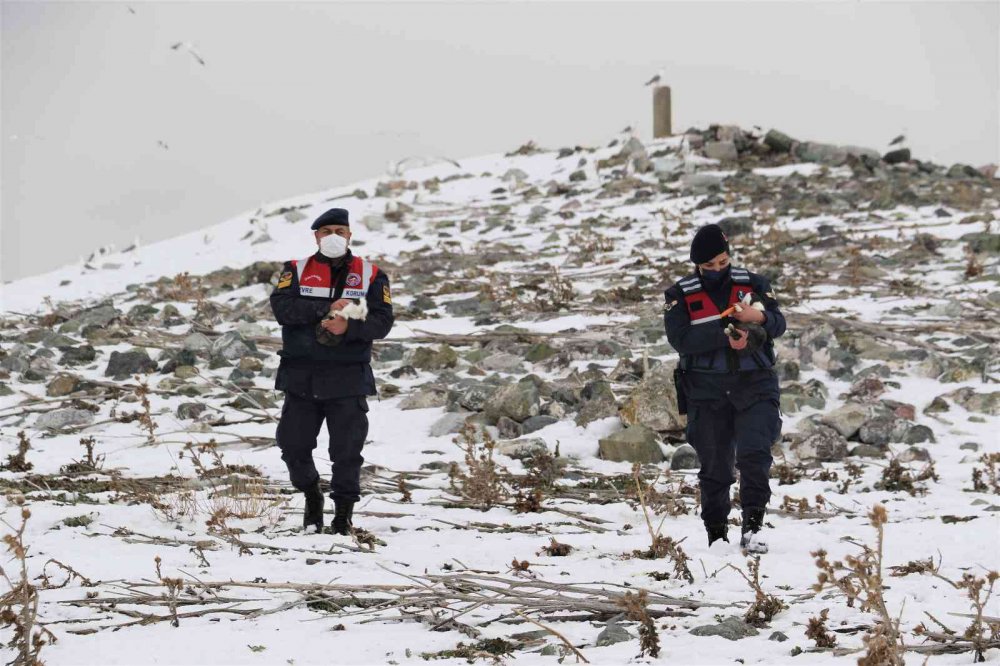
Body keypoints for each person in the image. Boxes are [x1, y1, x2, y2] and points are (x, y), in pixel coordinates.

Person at [269, 207, 394, 535]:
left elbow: (383, 322)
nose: (333, 237)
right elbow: (283, 309)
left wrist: (347, 329)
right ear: (316, 237)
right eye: (327, 232)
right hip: (301, 375)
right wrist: (325, 308)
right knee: (292, 444)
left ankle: (343, 516)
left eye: (340, 230)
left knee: (347, 451)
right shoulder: (295, 270)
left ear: (350, 234)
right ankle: (312, 494)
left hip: (348, 376)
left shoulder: (371, 274)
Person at [663, 224, 785, 554]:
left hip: (755, 385)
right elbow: (680, 339)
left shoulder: (755, 284)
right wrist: (725, 335)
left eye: (722, 261)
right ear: (696, 266)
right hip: (705, 390)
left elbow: (779, 323)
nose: (718, 270)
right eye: (709, 266)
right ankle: (716, 534)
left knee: (754, 454)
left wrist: (756, 322)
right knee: (715, 466)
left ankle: (753, 528)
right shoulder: (678, 295)